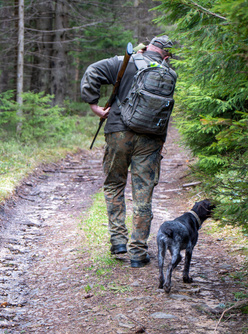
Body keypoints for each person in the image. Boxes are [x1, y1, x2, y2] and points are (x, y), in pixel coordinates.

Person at [80, 36, 176, 268]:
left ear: (147, 47)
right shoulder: (168, 73)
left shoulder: (124, 62)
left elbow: (92, 71)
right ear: (167, 55)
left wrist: (94, 105)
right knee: (143, 193)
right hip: (151, 139)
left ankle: (118, 241)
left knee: (114, 184)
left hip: (118, 132)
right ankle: (138, 252)